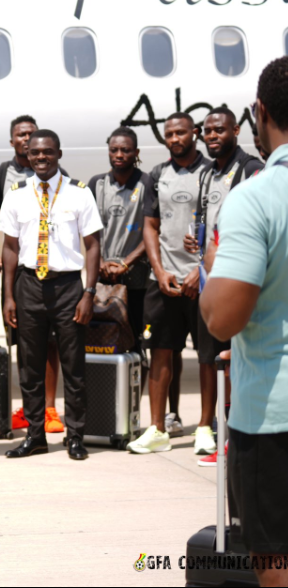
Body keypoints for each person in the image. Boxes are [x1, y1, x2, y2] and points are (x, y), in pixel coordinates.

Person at [200, 55, 288, 588]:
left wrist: (212, 274)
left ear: (259, 112)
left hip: (275, 419)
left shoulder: (256, 198)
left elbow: (223, 319)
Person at [0, 130, 102, 461]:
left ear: (59, 153)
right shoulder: (16, 194)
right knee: (29, 366)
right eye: (34, 153)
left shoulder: (78, 193)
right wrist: (8, 296)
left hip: (68, 286)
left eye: (47, 152)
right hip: (29, 286)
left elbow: (92, 245)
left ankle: (75, 436)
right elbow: (11, 248)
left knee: (73, 365)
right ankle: (35, 435)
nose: (41, 158)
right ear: (27, 156)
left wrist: (89, 292)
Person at [128, 113, 214, 455]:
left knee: (207, 357)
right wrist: (160, 271)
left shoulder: (211, 173)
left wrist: (201, 270)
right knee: (159, 351)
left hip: (201, 281)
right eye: (169, 134)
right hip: (162, 281)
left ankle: (205, 427)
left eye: (181, 132)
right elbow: (150, 226)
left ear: (194, 133)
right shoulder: (156, 175)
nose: (175, 138)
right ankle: (157, 428)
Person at [183, 107, 263, 466]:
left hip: (236, 279)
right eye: (209, 131)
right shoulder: (207, 173)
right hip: (209, 277)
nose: (213, 136)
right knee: (215, 360)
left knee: (237, 363)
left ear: (236, 130)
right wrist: (197, 246)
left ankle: (236, 440)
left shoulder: (249, 169)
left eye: (221, 130)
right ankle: (220, 433)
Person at [0, 114, 67, 434]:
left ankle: (49, 409)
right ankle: (27, 408)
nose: (26, 139)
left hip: (54, 276)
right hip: (20, 275)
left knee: (52, 344)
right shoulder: (0, 175)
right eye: (20, 135)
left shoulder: (59, 175)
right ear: (13, 141)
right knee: (26, 344)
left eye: (31, 134)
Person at [88, 127, 154, 346]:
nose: (119, 155)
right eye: (114, 150)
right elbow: (88, 230)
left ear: (136, 152)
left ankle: (136, 380)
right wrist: (100, 263)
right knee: (102, 340)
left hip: (136, 277)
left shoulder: (147, 183)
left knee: (138, 343)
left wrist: (125, 263)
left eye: (125, 150)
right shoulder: (96, 183)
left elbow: (153, 231)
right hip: (102, 277)